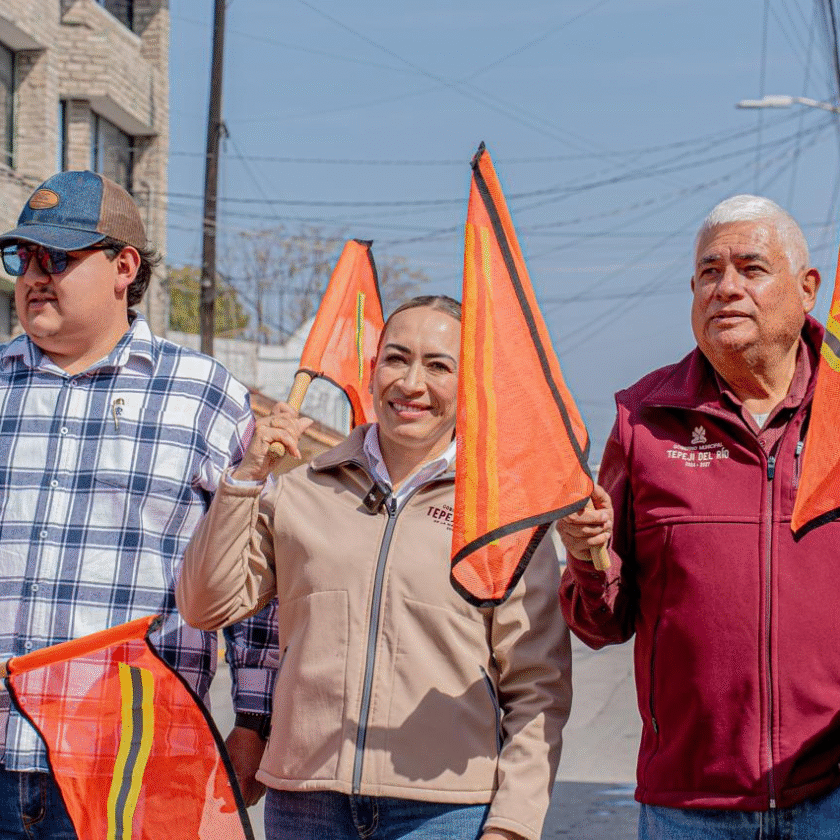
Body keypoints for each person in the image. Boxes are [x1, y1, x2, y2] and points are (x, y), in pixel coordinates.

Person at [177, 295, 572, 840]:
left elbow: (538, 688)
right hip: (305, 803)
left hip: (444, 812)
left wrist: (511, 826)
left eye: (438, 366)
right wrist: (246, 479)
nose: (411, 383)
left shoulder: (503, 515)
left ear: (473, 383)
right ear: (371, 369)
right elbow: (205, 605)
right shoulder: (299, 492)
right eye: (396, 359)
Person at [557, 194, 840, 839]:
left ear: (807, 288)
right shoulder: (645, 420)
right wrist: (587, 554)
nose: (726, 288)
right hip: (690, 806)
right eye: (709, 272)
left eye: (751, 268)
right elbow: (601, 623)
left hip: (832, 793)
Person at [0, 170, 271, 838]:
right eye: (21, 257)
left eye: (55, 257)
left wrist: (254, 721)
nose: (33, 277)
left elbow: (254, 578)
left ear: (124, 267)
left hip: (130, 766)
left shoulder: (204, 397)